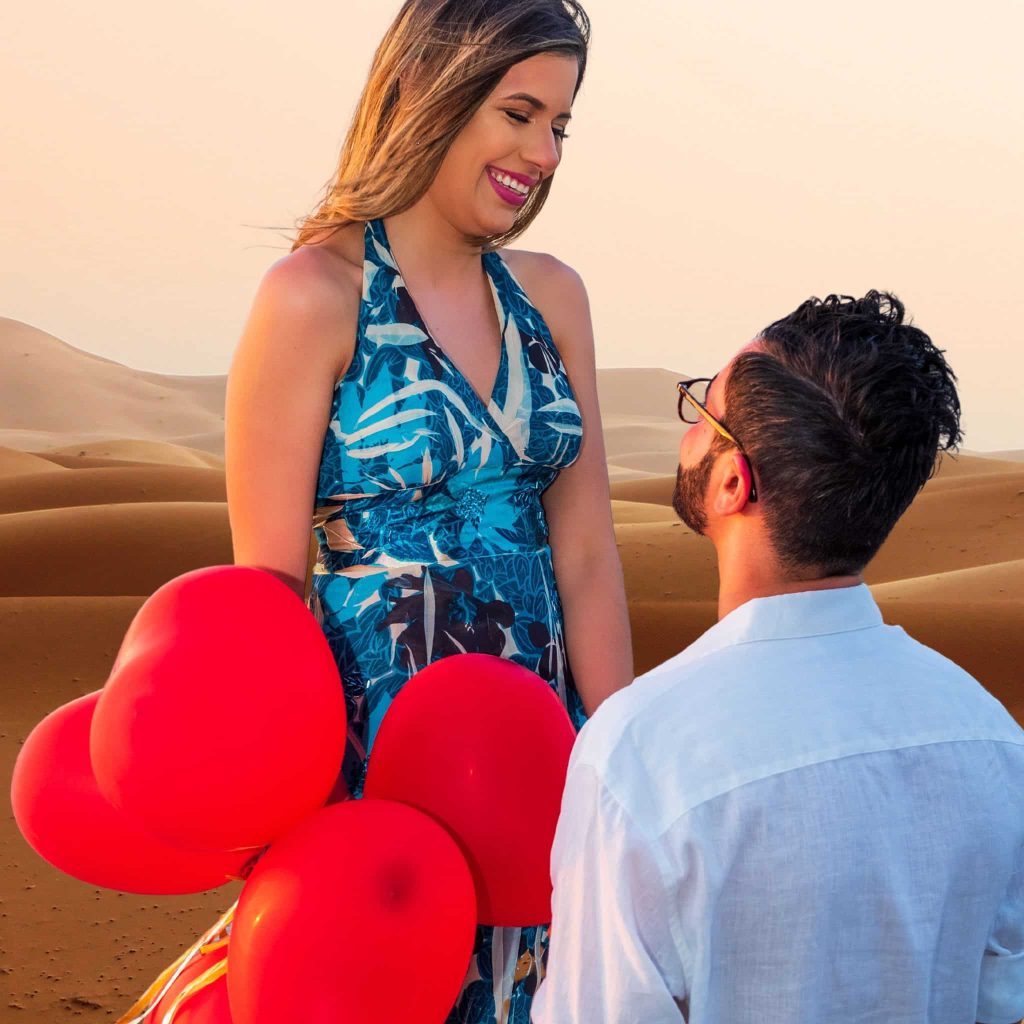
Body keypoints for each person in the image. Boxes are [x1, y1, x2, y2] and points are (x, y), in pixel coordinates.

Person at [116, 2, 632, 1023]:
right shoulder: (313, 296)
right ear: (428, 94)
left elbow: (587, 560)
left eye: (559, 125)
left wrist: (622, 774)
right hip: (377, 778)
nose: (542, 152)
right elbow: (265, 596)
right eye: (517, 112)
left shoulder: (552, 298)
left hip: (535, 775)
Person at [533, 292, 1024, 1024]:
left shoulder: (642, 752)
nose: (689, 428)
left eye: (703, 410)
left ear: (736, 482)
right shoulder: (990, 740)